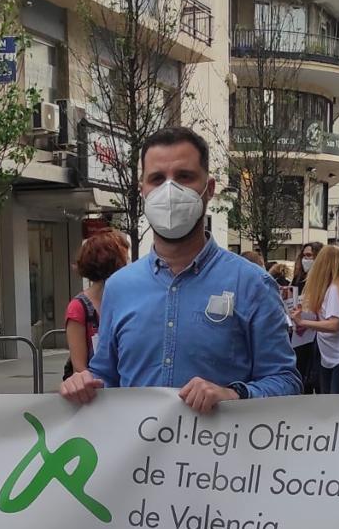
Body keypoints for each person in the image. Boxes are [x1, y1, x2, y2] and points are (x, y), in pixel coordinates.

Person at [60, 126, 300, 411]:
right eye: (157, 179)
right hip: (137, 441)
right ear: (142, 191)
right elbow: (106, 376)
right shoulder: (119, 287)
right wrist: (83, 383)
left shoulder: (252, 284)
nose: (170, 190)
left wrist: (234, 394)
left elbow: (286, 380)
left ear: (209, 189)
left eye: (184, 177)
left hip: (222, 441)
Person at [297, 244, 339, 394]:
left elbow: (333, 324)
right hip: (330, 356)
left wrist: (302, 321)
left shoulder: (334, 289)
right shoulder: (333, 288)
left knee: (334, 403)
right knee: (328, 401)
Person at [66, 230, 128, 376]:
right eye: (125, 257)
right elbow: (79, 369)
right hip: (96, 386)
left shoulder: (128, 300)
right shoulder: (79, 307)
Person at [292, 242, 321, 393]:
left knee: (318, 379)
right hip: (300, 334)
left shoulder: (323, 281)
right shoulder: (298, 279)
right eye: (304, 256)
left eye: (309, 256)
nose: (306, 259)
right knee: (302, 376)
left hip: (317, 334)